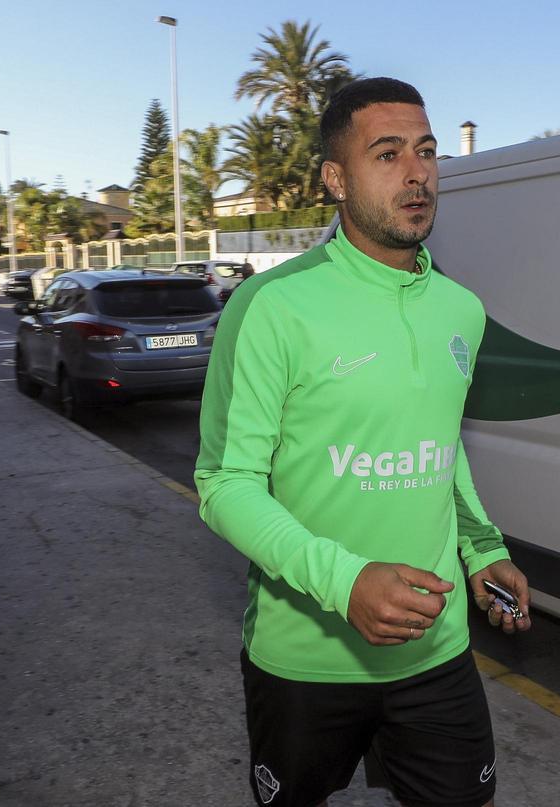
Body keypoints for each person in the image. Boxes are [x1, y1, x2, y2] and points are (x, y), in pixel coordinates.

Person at [195, 77, 531, 807]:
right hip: (303, 661)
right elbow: (225, 485)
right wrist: (344, 583)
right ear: (336, 178)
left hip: (437, 652)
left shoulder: (461, 310)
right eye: (387, 154)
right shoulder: (272, 306)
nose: (417, 173)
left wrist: (483, 549)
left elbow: (442, 445)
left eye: (427, 151)